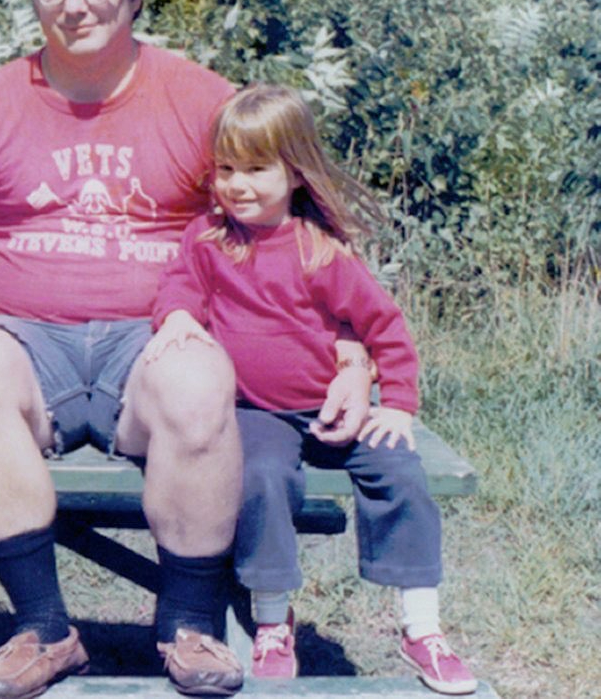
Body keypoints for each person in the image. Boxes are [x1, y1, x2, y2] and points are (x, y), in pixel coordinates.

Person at [0, 0, 373, 699]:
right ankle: (44, 632)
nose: (75, 5)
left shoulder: (200, 100)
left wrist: (351, 352)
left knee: (202, 382)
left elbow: (298, 234)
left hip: (156, 334)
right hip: (24, 339)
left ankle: (189, 626)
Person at [147, 83, 477, 695]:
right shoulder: (209, 240)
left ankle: (421, 627)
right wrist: (180, 317)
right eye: (225, 169)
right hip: (255, 413)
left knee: (400, 471)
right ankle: (272, 619)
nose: (236, 184)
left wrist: (399, 405)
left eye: (255, 169)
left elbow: (385, 326)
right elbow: (177, 291)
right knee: (260, 479)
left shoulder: (318, 250)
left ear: (295, 172)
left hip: (331, 408)